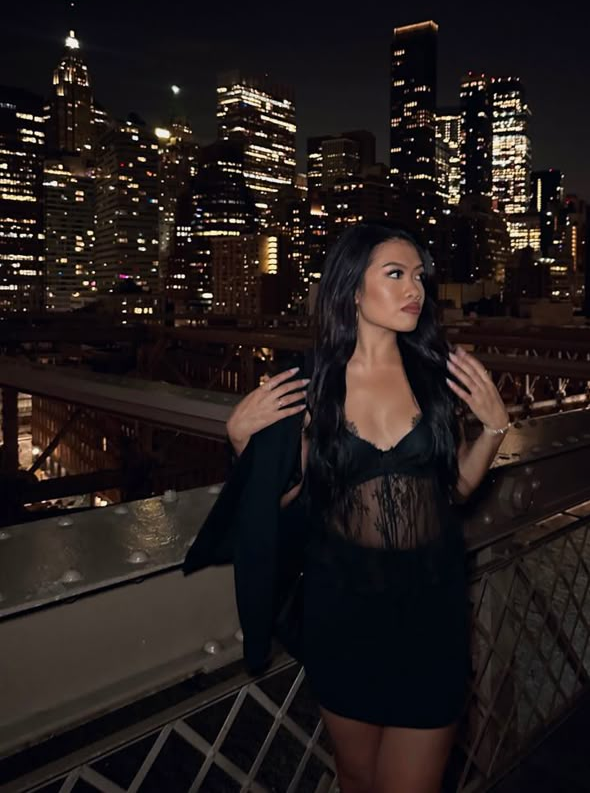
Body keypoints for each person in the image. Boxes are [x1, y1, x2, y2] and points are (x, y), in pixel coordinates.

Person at [225, 222, 509, 793]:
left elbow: (449, 494)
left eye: (419, 277)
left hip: (432, 613)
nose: (416, 290)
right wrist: (241, 446)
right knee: (356, 777)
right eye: (397, 274)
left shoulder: (435, 374)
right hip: (345, 612)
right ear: (353, 289)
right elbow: (284, 499)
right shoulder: (311, 384)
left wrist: (495, 428)